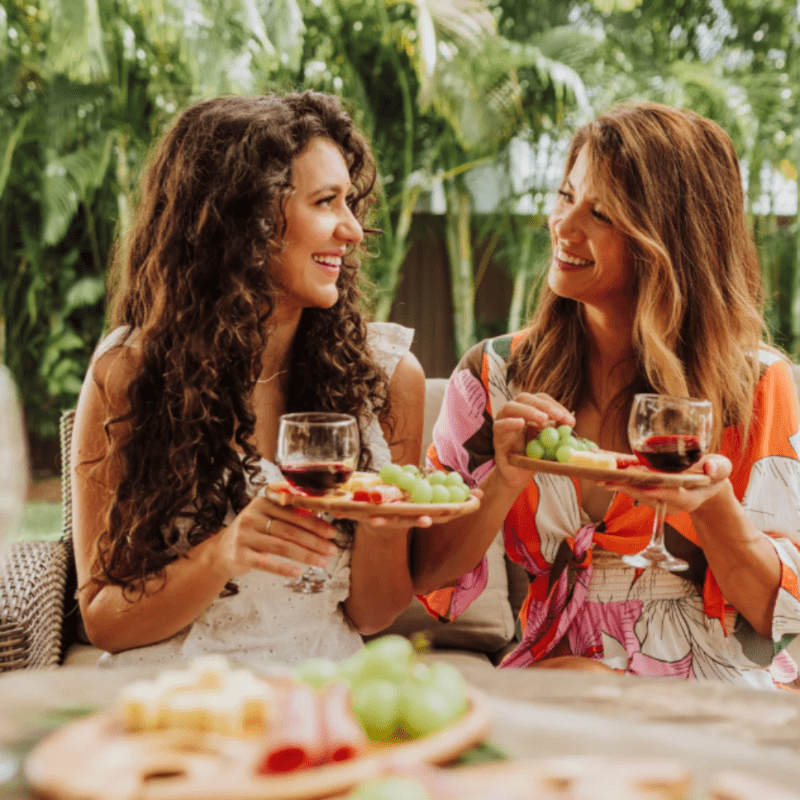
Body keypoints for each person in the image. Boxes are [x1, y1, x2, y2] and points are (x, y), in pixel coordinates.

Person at [412, 101, 800, 689]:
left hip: (709, 699)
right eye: (566, 197)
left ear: (669, 240)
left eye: (602, 215)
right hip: (558, 685)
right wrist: (505, 479)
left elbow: (779, 620)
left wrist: (712, 503)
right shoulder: (496, 373)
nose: (563, 228)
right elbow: (426, 571)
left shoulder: (756, 385)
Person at [71, 91, 427, 667]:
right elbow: (103, 620)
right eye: (326, 202)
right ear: (247, 220)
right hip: (178, 697)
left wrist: (384, 527)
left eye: (350, 201)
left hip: (316, 693)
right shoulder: (129, 373)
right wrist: (224, 554)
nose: (354, 230)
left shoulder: (384, 379)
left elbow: (373, 613)